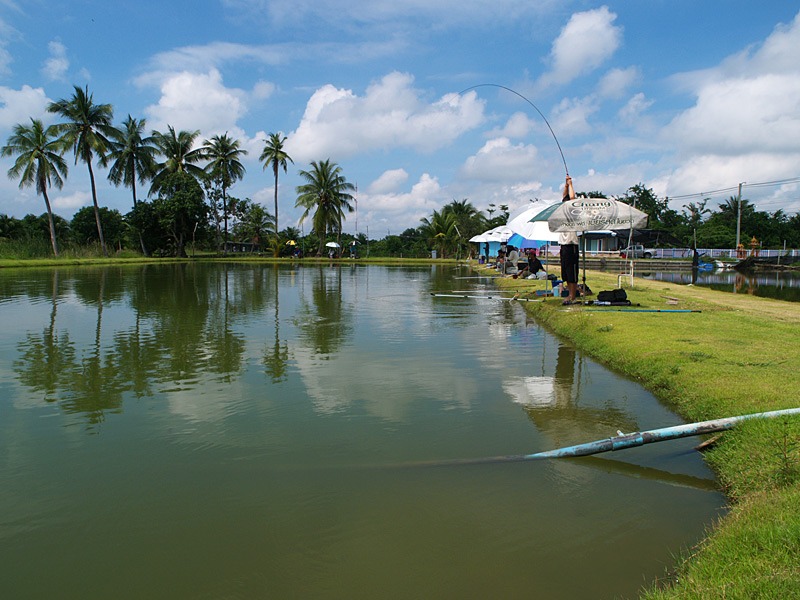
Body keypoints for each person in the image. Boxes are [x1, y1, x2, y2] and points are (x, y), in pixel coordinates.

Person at [559, 175, 580, 304]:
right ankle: (569, 295)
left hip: (571, 244)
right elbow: (564, 197)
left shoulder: (573, 213)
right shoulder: (562, 212)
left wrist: (571, 184)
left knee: (572, 272)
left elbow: (572, 198)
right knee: (565, 272)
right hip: (564, 244)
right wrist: (565, 185)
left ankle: (573, 295)